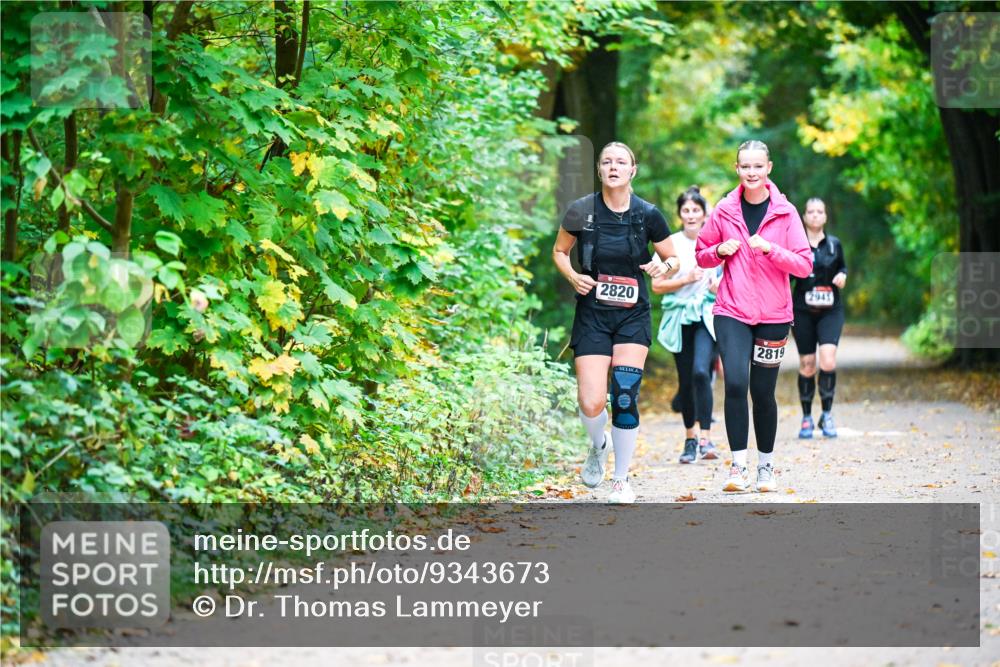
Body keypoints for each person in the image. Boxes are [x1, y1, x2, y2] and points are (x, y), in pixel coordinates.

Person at [553, 141, 679, 504]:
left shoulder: (648, 214)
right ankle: (599, 444)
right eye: (606, 161)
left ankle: (621, 480)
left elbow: (672, 259)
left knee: (624, 394)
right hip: (592, 313)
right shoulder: (580, 211)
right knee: (591, 401)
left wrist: (662, 266)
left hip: (633, 314)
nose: (613, 167)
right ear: (599, 170)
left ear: (632, 170)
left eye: (620, 162)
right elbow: (560, 252)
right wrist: (573, 275)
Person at [695, 140, 813, 494]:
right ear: (737, 169)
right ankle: (738, 466)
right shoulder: (724, 209)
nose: (751, 173)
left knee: (763, 392)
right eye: (745, 166)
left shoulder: (786, 212)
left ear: (769, 168)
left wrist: (771, 249)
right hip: (732, 309)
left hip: (774, 315)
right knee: (735, 383)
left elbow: (805, 265)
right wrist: (718, 250)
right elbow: (701, 254)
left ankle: (765, 467)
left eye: (758, 166)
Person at [652, 186, 721, 464]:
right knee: (686, 379)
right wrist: (686, 279)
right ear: (680, 214)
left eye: (696, 210)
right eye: (686, 210)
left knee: (702, 373)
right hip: (679, 317)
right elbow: (657, 285)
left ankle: (706, 438)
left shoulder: (716, 241)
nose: (691, 215)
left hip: (707, 316)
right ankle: (690, 438)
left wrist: (719, 285)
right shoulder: (672, 244)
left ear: (705, 214)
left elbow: (730, 275)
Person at [792, 197, 847, 439]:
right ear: (804, 217)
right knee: (807, 364)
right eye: (811, 212)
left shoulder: (834, 244)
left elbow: (842, 268)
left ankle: (826, 414)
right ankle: (806, 417)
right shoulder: (796, 245)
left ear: (825, 217)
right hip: (802, 311)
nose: (815, 215)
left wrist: (842, 276)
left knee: (828, 360)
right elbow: (785, 276)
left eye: (819, 212)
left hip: (830, 311)